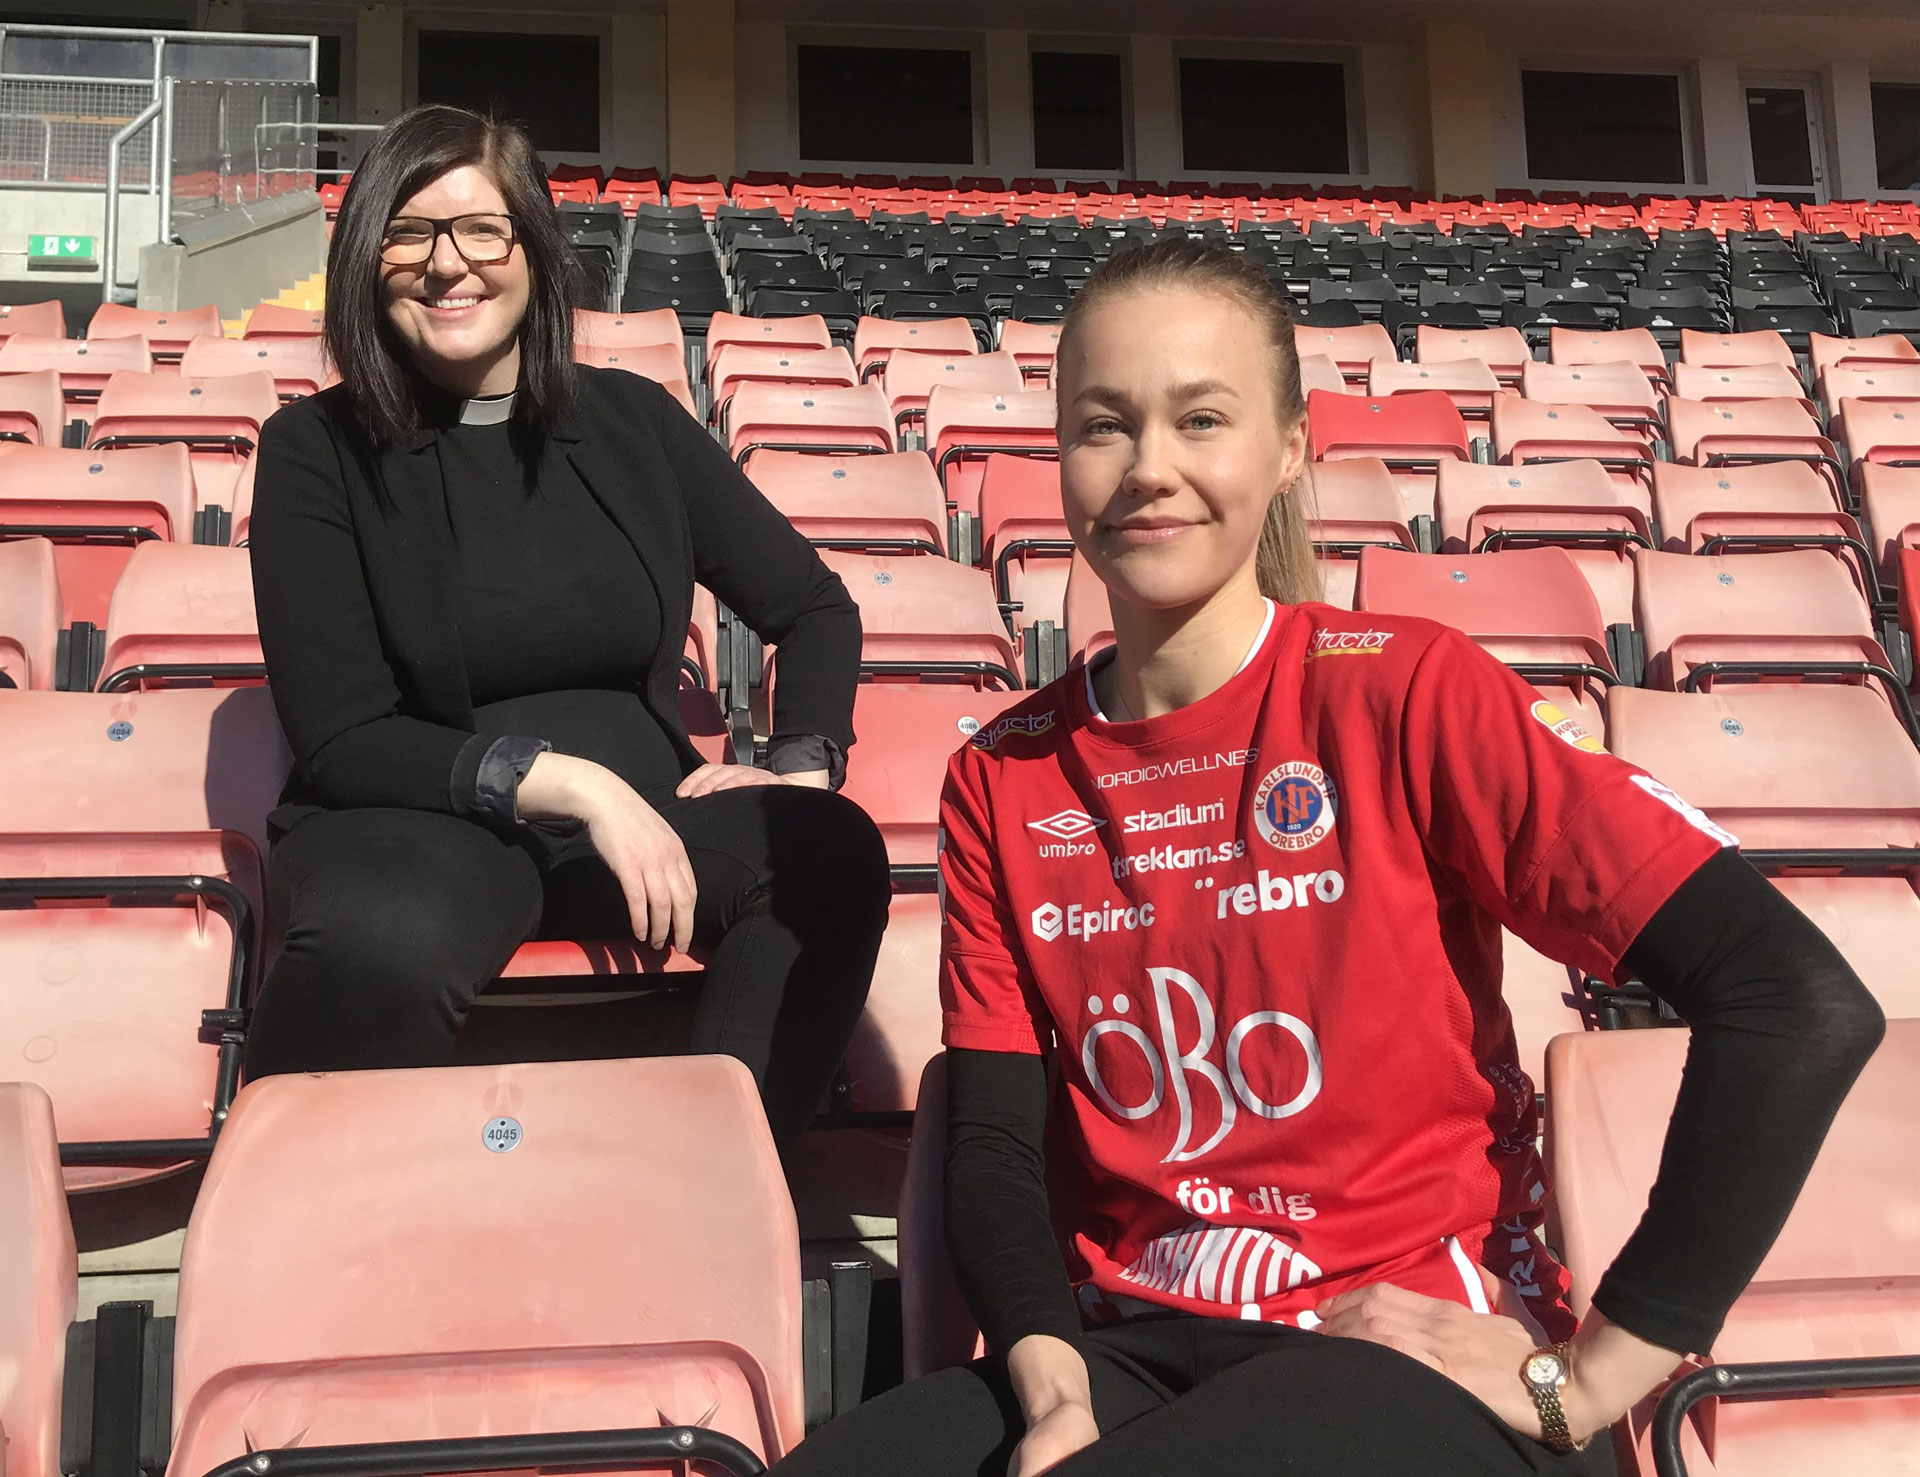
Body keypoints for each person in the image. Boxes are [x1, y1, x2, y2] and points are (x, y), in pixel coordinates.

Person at [771, 240, 1885, 1474]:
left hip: (1405, 1347)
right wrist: (1046, 1379)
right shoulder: (1001, 775)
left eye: (1202, 418)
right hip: (1123, 1349)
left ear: (1290, 446)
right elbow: (991, 1139)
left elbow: (1799, 1003)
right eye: (1103, 424)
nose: (1150, 469)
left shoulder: (1407, 693)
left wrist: (1595, 1376)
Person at [245, 105, 889, 1151]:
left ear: (533, 249)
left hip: (643, 825)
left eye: (480, 230)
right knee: (383, 938)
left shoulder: (634, 422)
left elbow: (814, 608)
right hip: (418, 817)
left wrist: (801, 765)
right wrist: (576, 783)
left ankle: (712, 1181)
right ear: (366, 259)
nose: (446, 264)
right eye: (409, 232)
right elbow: (342, 733)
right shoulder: (313, 449)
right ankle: (306, 1237)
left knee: (829, 855)